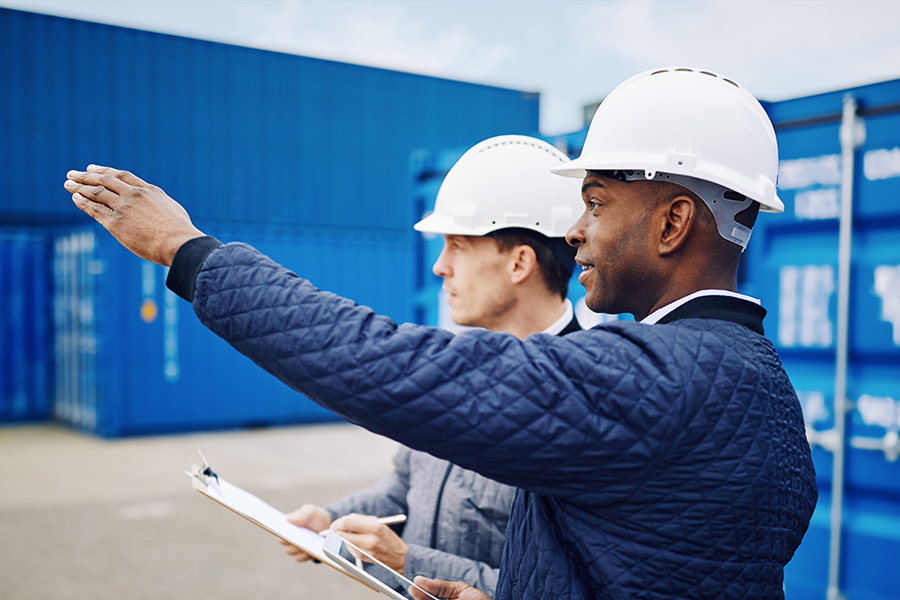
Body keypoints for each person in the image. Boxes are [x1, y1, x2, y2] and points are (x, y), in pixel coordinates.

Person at [65, 67, 817, 600]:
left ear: (674, 221)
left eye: (595, 202)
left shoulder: (656, 378)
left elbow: (388, 364)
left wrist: (190, 254)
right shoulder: (756, 380)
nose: (578, 232)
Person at [277, 135, 583, 599]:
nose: (439, 267)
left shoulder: (587, 401)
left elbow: (565, 589)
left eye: (457, 246)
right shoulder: (452, 368)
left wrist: (408, 562)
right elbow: (406, 486)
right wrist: (331, 518)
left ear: (520, 262)